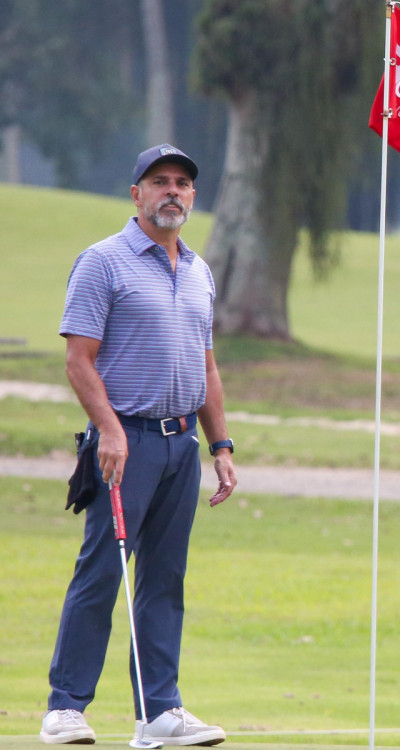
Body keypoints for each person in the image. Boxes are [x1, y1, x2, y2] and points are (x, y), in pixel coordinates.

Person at [42, 144, 237, 746]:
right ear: (137, 194)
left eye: (182, 183)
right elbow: (79, 360)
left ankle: (159, 712)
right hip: (126, 444)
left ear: (193, 196)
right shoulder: (103, 262)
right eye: (159, 182)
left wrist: (221, 445)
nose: (172, 192)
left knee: (164, 579)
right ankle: (65, 707)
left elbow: (205, 366)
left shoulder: (199, 270)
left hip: (182, 446)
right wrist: (110, 429)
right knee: (102, 572)